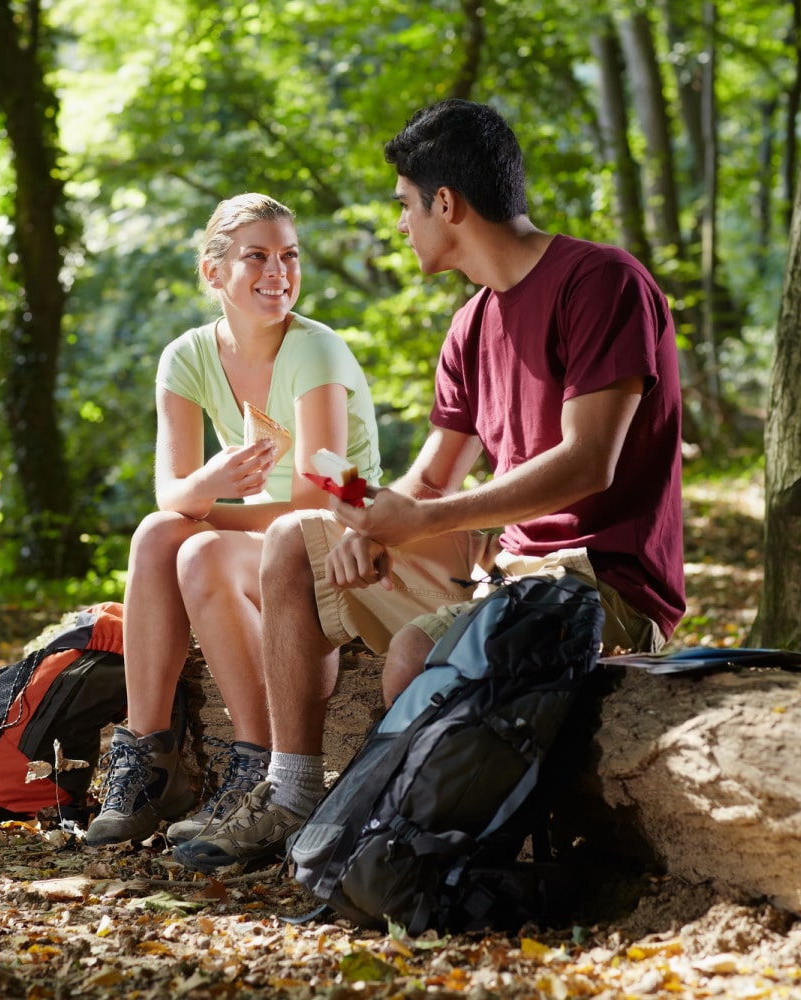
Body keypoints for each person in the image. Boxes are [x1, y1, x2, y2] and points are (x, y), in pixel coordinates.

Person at [173, 100, 685, 872]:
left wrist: (415, 518)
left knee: (415, 651)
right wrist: (369, 528)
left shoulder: (602, 283)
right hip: (501, 578)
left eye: (407, 205)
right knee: (291, 543)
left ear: (446, 203)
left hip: (598, 586)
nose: (403, 224)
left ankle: (409, 853)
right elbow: (432, 476)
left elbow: (588, 463)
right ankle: (292, 792)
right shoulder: (471, 326)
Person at [83, 194, 383, 846]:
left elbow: (317, 495)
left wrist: (204, 505)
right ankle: (146, 759)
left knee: (196, 548)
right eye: (258, 256)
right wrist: (207, 490)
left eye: (289, 256)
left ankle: (256, 768)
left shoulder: (316, 352)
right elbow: (171, 491)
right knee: (156, 534)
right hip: (261, 533)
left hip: (335, 535)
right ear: (213, 272)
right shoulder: (186, 358)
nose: (279, 271)